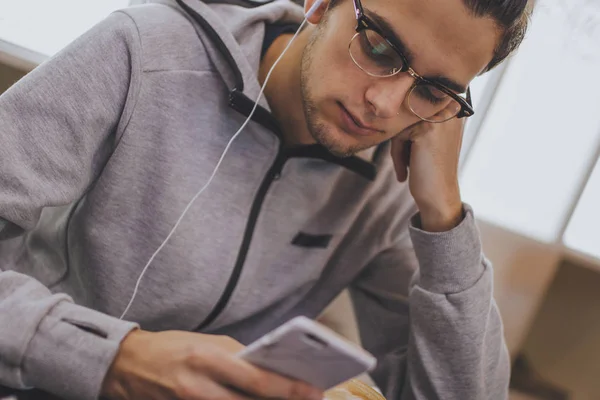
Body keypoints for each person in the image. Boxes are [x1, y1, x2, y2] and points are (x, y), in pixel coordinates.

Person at [0, 0, 530, 398]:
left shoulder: (391, 189)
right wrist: (112, 358)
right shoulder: (146, 51)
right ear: (321, 4)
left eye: (433, 90)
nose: (384, 103)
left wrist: (445, 217)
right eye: (379, 47)